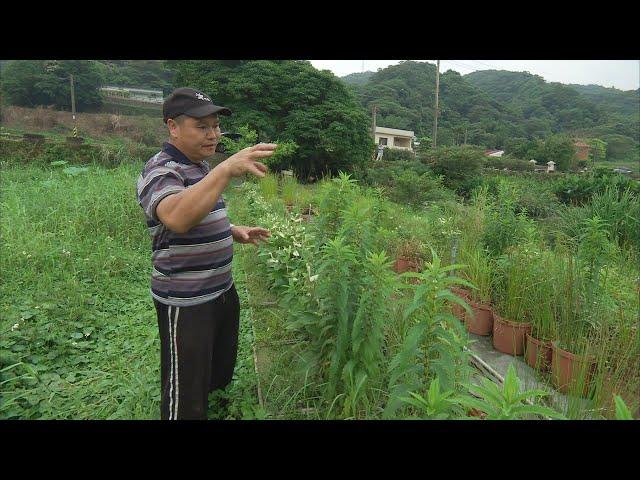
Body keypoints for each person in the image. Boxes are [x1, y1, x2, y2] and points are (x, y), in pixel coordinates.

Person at [136, 87, 276, 420]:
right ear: (173, 127)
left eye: (215, 126)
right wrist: (226, 169)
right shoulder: (160, 171)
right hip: (187, 303)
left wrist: (231, 230)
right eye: (202, 127)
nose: (213, 134)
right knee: (185, 395)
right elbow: (178, 217)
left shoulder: (198, 167)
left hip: (221, 291)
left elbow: (198, 211)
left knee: (216, 371)